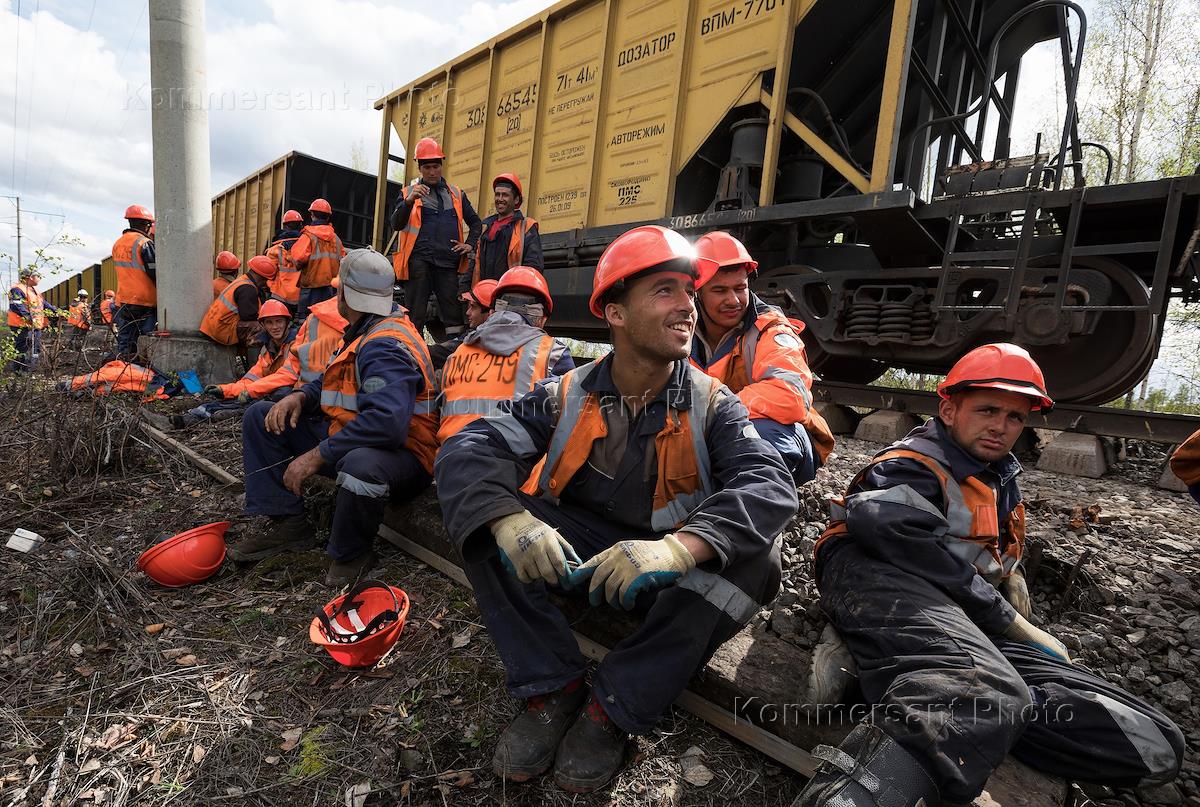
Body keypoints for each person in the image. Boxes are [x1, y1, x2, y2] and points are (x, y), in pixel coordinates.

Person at [435, 225, 797, 792]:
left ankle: (614, 708)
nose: (688, 307)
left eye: (687, 291)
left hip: (666, 571)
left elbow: (769, 484)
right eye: (665, 291)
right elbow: (468, 447)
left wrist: (680, 549)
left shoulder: (714, 405)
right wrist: (511, 521)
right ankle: (552, 685)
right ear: (615, 312)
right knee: (482, 514)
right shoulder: (566, 392)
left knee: (758, 563)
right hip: (583, 551)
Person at [794, 343, 1185, 807]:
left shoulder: (999, 476)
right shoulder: (912, 464)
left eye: (1016, 417)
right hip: (876, 576)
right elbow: (889, 531)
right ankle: (917, 692)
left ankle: (925, 682)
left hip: (961, 612)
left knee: (1156, 744)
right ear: (949, 408)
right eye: (988, 410)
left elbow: (989, 549)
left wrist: (1011, 576)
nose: (1001, 426)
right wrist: (1010, 620)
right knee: (982, 687)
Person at [230, 249, 439, 587]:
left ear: (345, 295)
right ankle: (290, 522)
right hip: (356, 437)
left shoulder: (384, 345)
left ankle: (350, 554)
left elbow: (387, 424)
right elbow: (333, 381)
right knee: (261, 416)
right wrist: (300, 396)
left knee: (360, 465)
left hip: (405, 456)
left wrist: (316, 455)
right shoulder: (363, 330)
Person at [691, 231, 833, 484]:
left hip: (779, 435)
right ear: (697, 293)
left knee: (758, 437)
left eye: (740, 288)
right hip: (710, 435)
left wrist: (712, 412)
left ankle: (748, 505)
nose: (733, 300)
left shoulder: (771, 329)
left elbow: (789, 397)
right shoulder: (680, 333)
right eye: (720, 290)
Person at [437, 266, 572, 442]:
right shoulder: (553, 353)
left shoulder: (459, 352)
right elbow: (569, 423)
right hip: (513, 463)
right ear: (542, 319)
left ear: (493, 311)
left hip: (447, 459)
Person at [143, 301, 297, 431]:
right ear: (263, 325)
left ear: (286, 322)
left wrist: (249, 392)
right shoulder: (267, 349)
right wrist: (225, 390)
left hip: (292, 395)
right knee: (232, 401)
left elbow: (286, 377)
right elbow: (251, 379)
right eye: (270, 322)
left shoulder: (296, 345)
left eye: (279, 321)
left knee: (276, 395)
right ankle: (179, 420)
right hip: (268, 391)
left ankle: (232, 413)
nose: (275, 326)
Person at [389, 137, 482, 339]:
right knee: (415, 316)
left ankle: (453, 359)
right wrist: (408, 202)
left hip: (447, 264)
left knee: (454, 317)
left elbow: (476, 223)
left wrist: (469, 244)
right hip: (419, 263)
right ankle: (412, 357)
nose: (432, 172)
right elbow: (396, 223)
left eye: (436, 167)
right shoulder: (408, 193)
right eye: (428, 167)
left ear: (441, 165)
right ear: (420, 169)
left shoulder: (457, 194)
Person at [199, 255, 276, 365]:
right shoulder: (248, 289)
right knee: (258, 329)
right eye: (266, 280)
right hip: (221, 330)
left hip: (212, 327)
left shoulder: (242, 281)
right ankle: (255, 369)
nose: (266, 284)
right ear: (261, 277)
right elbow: (248, 316)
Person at [474, 173, 543, 284]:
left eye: (505, 195)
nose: (500, 199)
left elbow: (533, 266)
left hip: (509, 292)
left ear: (516, 200)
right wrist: (464, 289)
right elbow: (474, 262)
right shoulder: (485, 227)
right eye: (497, 195)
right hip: (483, 292)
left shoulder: (526, 227)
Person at [112, 204, 157, 359]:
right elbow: (155, 272)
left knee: (125, 340)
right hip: (144, 301)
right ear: (147, 225)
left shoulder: (118, 243)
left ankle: (122, 368)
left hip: (124, 300)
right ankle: (142, 370)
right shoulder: (143, 243)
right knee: (147, 338)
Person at [290, 199, 344, 320]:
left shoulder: (308, 236)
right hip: (331, 290)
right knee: (327, 321)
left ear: (312, 215)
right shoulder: (336, 239)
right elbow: (343, 261)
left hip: (310, 290)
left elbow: (298, 259)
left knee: (306, 322)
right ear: (328, 217)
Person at [430, 278, 498, 370]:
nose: (467, 312)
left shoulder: (476, 341)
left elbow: (443, 351)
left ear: (489, 313)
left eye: (473, 307)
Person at [7, 268, 59, 372]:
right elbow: (17, 307)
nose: (39, 278)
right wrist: (30, 318)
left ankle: (30, 370)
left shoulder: (34, 291)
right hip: (22, 326)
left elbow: (44, 304)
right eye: (38, 276)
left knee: (35, 348)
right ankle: (19, 372)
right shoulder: (17, 289)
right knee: (23, 349)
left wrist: (57, 311)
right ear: (30, 277)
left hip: (35, 326)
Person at [266, 209, 304, 314]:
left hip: (279, 296)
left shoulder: (275, 249)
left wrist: (272, 286)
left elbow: (267, 274)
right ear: (301, 225)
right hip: (301, 298)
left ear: (285, 226)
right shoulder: (308, 247)